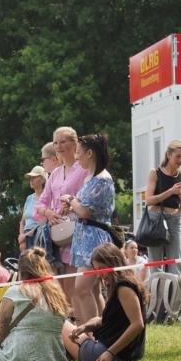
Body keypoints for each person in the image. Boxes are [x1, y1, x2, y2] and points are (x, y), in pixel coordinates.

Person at [62, 243, 147, 361]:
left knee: (63, 324)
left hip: (110, 355)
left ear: (113, 263)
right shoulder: (123, 283)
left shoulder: (123, 287)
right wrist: (84, 327)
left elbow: (137, 324)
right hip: (119, 355)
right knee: (74, 330)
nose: (99, 274)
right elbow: (109, 319)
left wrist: (110, 352)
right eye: (96, 270)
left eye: (101, 268)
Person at [60, 134, 115, 322]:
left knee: (82, 288)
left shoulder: (102, 179)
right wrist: (72, 206)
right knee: (91, 289)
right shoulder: (90, 178)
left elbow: (85, 212)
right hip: (84, 236)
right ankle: (97, 330)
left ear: (90, 153)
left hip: (94, 238)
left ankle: (89, 332)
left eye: (79, 153)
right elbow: (81, 210)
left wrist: (71, 200)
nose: (76, 157)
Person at [35, 127, 90, 300]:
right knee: (61, 283)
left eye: (62, 141)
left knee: (76, 284)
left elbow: (88, 199)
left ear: (75, 143)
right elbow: (40, 203)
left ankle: (80, 321)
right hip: (58, 234)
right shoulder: (55, 173)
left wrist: (73, 204)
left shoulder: (84, 169)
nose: (58, 146)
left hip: (78, 231)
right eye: (55, 142)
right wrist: (48, 212)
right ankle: (68, 321)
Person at [144, 140, 181, 304]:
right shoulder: (155, 173)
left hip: (175, 219)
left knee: (175, 263)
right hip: (156, 218)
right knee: (155, 265)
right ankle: (156, 306)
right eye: (178, 156)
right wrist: (170, 191)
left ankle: (177, 306)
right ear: (168, 155)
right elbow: (149, 200)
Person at [18, 165, 47, 253]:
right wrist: (22, 236)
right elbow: (22, 222)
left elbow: (45, 222)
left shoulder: (47, 197)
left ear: (42, 179)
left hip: (39, 236)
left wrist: (26, 235)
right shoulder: (29, 198)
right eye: (30, 178)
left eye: (34, 177)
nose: (31, 180)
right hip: (26, 237)